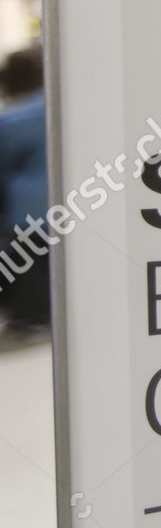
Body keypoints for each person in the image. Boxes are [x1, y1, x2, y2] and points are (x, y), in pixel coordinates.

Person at [0, 46, 50, 328]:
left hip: (28, 210)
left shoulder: (12, 119)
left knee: (29, 267)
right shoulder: (66, 104)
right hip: (79, 200)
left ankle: (32, 316)